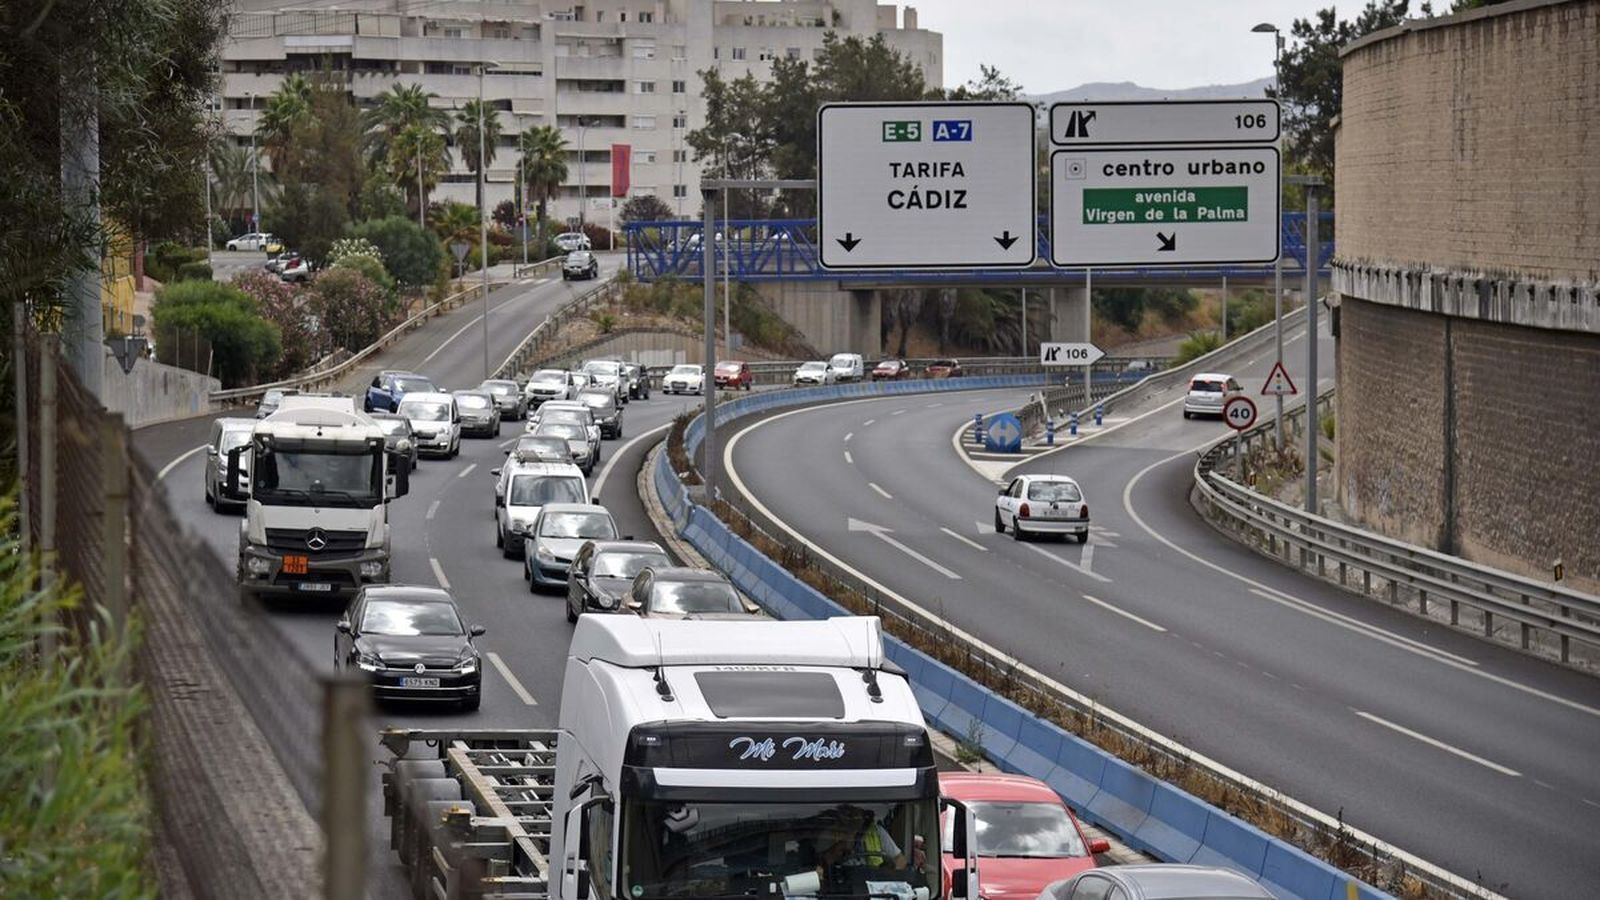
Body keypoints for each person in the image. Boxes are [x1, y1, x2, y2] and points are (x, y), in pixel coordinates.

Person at [816, 806, 926, 875]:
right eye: (850, 814)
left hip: (872, 882)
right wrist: (839, 847)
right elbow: (821, 865)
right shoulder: (830, 833)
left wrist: (889, 879)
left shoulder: (876, 832)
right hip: (839, 881)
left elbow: (900, 860)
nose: (854, 818)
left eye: (857, 814)